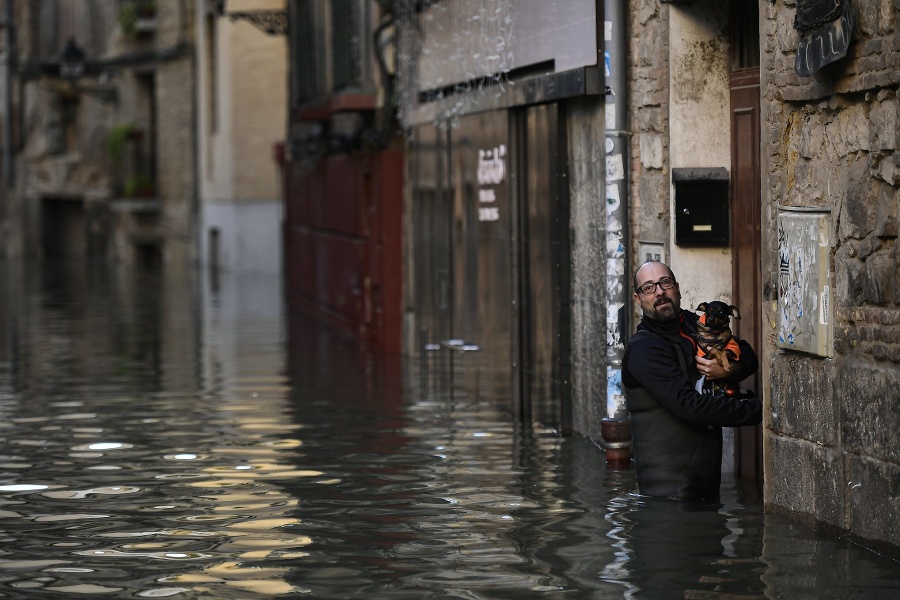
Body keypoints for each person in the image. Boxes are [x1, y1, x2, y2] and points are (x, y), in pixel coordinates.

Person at [622, 261, 762, 501]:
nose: (659, 292)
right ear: (638, 298)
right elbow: (689, 405)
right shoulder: (643, 350)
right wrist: (761, 411)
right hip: (667, 496)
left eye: (665, 283)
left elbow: (747, 353)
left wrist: (727, 370)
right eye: (648, 287)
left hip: (707, 486)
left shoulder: (694, 324)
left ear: (677, 288)